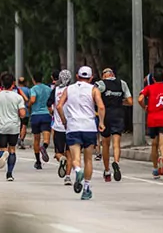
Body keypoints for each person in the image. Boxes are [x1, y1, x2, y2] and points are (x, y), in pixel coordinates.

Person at [57, 67, 105, 199]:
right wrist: (101, 122)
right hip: (89, 127)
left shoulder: (69, 89)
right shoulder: (93, 89)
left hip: (73, 127)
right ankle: (86, 188)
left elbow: (59, 106)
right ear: (91, 78)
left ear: (77, 76)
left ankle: (77, 170)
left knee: (75, 157)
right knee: (88, 159)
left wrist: (64, 120)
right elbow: (100, 106)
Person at [0, 73, 29, 181]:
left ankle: (2, 154)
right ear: (13, 84)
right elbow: (22, 114)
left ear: (2, 84)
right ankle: (9, 174)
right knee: (12, 149)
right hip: (14, 127)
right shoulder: (18, 97)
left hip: (1, 126)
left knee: (2, 148)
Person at [96, 68, 132, 182]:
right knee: (116, 143)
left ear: (103, 76)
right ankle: (116, 162)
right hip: (118, 115)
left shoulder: (100, 84)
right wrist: (121, 102)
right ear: (113, 75)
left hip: (105, 115)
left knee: (105, 144)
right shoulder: (122, 83)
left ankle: (107, 171)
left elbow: (93, 98)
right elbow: (130, 102)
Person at [138, 67, 163, 179]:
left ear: (153, 78)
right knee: (162, 141)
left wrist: (145, 107)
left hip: (152, 118)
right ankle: (162, 157)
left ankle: (155, 168)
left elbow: (140, 99)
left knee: (154, 143)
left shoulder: (149, 88)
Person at [28, 73, 54, 171]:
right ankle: (44, 147)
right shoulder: (48, 89)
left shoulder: (33, 89)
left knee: (36, 139)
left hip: (35, 115)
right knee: (46, 137)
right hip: (46, 115)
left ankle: (38, 162)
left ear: (33, 80)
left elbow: (33, 99)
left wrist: (29, 104)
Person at [51, 70, 73, 185]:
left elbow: (49, 104)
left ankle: (61, 159)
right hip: (71, 126)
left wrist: (53, 113)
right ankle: (68, 177)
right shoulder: (73, 90)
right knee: (70, 153)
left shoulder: (56, 90)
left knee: (58, 152)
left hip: (59, 126)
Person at [16, 76, 32, 144]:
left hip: (17, 110)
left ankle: (17, 137)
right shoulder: (28, 90)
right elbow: (30, 99)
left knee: (18, 125)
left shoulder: (16, 90)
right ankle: (21, 139)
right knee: (24, 125)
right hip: (25, 110)